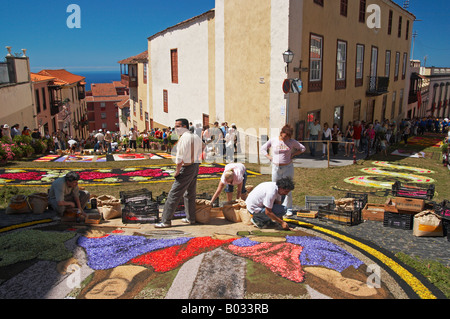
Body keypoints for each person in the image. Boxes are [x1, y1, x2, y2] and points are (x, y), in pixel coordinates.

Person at [155, 118, 205, 228]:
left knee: (174, 194)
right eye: (175, 126)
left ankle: (165, 221)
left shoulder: (184, 138)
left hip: (186, 168)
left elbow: (179, 159)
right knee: (190, 194)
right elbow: (203, 146)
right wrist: (195, 157)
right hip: (195, 166)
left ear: (185, 127)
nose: (176, 129)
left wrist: (177, 172)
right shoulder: (194, 136)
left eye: (178, 126)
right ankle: (190, 218)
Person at [261, 125, 305, 216]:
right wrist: (269, 157)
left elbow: (302, 148)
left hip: (287, 167)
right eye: (284, 137)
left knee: (287, 188)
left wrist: (293, 154)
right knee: (275, 188)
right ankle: (275, 207)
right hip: (276, 167)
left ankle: (288, 208)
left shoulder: (292, 142)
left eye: (287, 138)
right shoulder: (274, 140)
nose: (285, 139)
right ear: (281, 134)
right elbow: (263, 149)